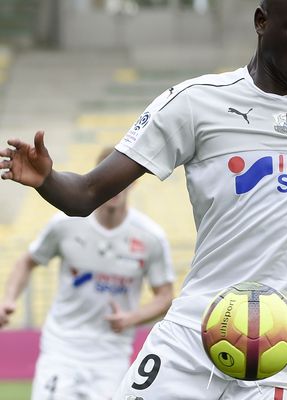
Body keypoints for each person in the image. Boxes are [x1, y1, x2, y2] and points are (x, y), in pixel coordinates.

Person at [0, 1, 287, 398]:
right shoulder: (196, 103)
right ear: (261, 21)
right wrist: (47, 179)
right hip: (193, 336)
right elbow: (85, 195)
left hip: (283, 350)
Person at [0, 147, 175, 400]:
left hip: (111, 355)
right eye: (108, 178)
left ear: (133, 182)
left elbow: (165, 296)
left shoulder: (150, 237)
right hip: (62, 347)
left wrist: (132, 318)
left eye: (121, 179)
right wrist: (9, 298)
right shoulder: (64, 224)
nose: (115, 187)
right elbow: (28, 261)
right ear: (96, 177)